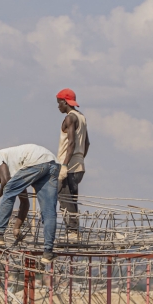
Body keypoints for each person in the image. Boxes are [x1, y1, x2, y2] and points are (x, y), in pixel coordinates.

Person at [0, 144, 60, 263]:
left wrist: (0, 192)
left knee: (8, 189)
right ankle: (48, 252)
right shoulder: (19, 173)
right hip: (53, 164)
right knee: (49, 211)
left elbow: (6, 181)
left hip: (36, 161)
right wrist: (17, 226)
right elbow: (24, 203)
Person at [55, 88, 89, 242]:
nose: (58, 107)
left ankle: (73, 232)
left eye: (59, 103)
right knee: (71, 199)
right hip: (79, 165)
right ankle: (74, 231)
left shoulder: (70, 119)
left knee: (64, 197)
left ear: (65, 102)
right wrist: (80, 158)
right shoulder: (81, 117)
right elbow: (86, 143)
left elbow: (71, 143)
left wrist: (64, 165)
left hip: (68, 166)